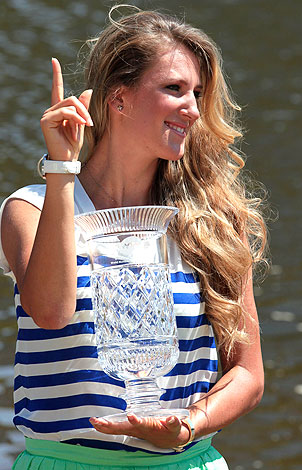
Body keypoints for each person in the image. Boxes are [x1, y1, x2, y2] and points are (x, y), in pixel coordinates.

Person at [0, 6, 267, 470]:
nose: (194, 108)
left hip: (187, 462)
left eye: (198, 93)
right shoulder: (31, 208)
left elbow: (247, 373)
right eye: (174, 89)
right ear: (118, 99)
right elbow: (52, 311)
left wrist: (188, 425)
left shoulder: (213, 221)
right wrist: (62, 167)